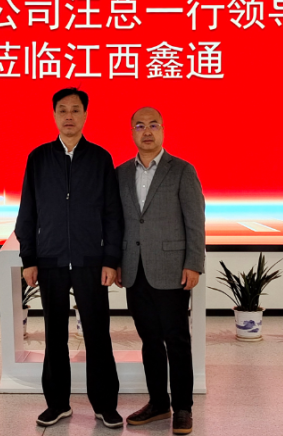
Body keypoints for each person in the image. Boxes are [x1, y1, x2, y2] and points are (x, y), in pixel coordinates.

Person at [14, 87, 125, 429]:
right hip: (51, 260)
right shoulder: (38, 158)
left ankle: (105, 405)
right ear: (54, 115)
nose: (69, 116)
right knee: (54, 335)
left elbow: (112, 214)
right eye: (62, 110)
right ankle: (57, 404)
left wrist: (110, 259)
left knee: (97, 334)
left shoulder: (100, 158)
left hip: (92, 261)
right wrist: (29, 259)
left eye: (75, 110)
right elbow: (27, 212)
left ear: (86, 114)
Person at [115, 107, 205, 436]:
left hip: (171, 269)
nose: (147, 131)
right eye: (140, 126)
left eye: (153, 125)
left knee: (177, 340)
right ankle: (158, 403)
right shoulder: (120, 173)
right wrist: (117, 261)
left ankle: (183, 408)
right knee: (149, 340)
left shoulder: (181, 170)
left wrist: (194, 263)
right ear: (132, 132)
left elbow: (195, 220)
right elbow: (117, 222)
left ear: (163, 130)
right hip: (134, 270)